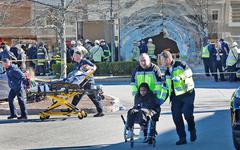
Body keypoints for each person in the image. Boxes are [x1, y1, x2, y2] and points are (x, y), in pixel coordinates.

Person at [160, 51, 196, 145]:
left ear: (167, 59)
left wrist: (180, 77)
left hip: (187, 93)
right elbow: (166, 88)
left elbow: (189, 72)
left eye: (162, 60)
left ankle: (192, 130)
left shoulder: (180, 64)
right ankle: (182, 138)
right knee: (176, 117)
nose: (162, 63)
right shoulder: (167, 72)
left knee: (188, 114)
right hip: (175, 97)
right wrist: (160, 100)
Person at [71, 50, 104, 117]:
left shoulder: (85, 61)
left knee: (93, 97)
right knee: (77, 96)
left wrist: (89, 70)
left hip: (88, 82)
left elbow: (94, 67)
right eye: (74, 56)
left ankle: (100, 112)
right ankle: (71, 109)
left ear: (79, 56)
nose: (73, 57)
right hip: (81, 83)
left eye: (75, 56)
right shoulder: (76, 64)